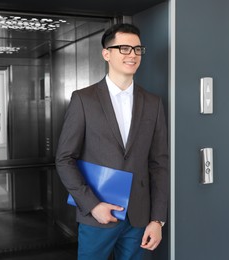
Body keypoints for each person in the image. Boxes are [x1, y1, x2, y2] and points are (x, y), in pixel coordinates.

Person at [55, 23, 168, 259]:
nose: (133, 55)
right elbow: (64, 159)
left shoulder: (153, 103)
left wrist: (158, 219)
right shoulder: (84, 99)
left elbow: (159, 164)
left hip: (139, 219)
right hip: (97, 214)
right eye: (124, 48)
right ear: (106, 54)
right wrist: (92, 205)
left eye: (137, 49)